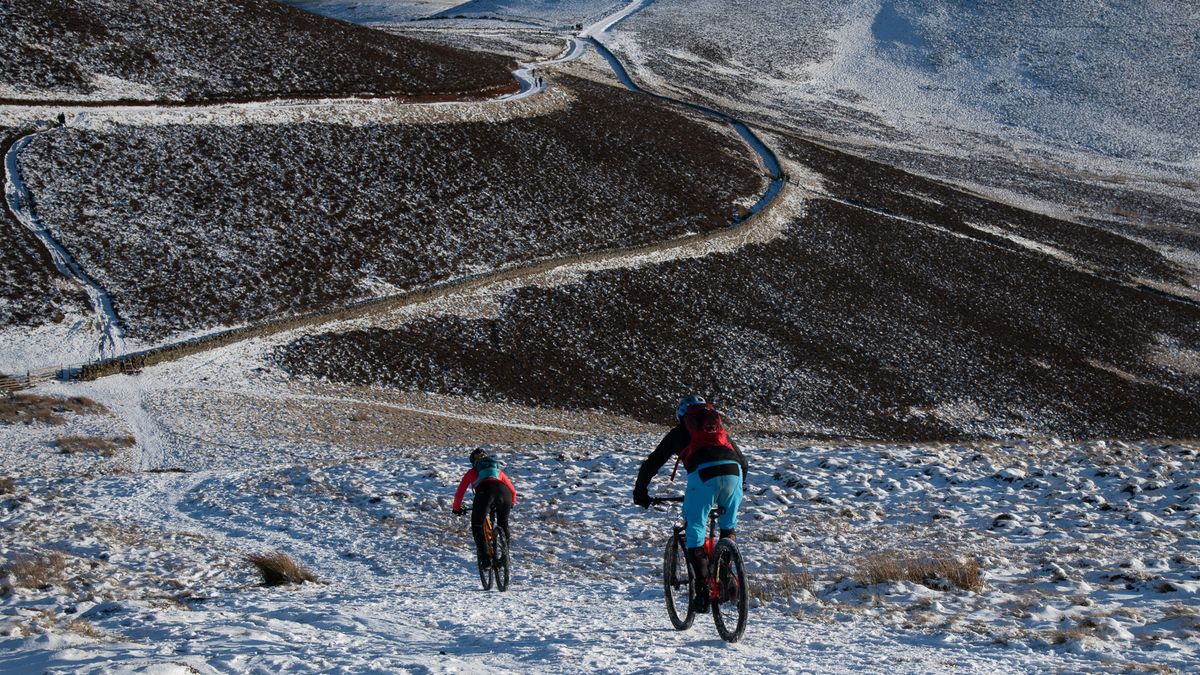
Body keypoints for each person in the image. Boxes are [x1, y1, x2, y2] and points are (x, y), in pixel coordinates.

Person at [633, 395, 748, 613]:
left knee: (695, 528)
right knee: (727, 527)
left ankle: (703, 592)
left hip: (704, 476)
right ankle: (727, 579)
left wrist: (641, 493)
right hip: (734, 474)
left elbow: (653, 462)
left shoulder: (679, 432)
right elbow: (743, 461)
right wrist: (738, 486)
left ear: (682, 417)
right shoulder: (719, 431)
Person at [452, 448, 517, 569]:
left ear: (473, 462)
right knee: (503, 523)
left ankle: (486, 560)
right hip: (504, 493)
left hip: (485, 493)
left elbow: (459, 493)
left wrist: (456, 508)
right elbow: (513, 490)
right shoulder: (498, 471)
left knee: (477, 526)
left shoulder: (472, 472)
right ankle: (505, 556)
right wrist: (512, 502)